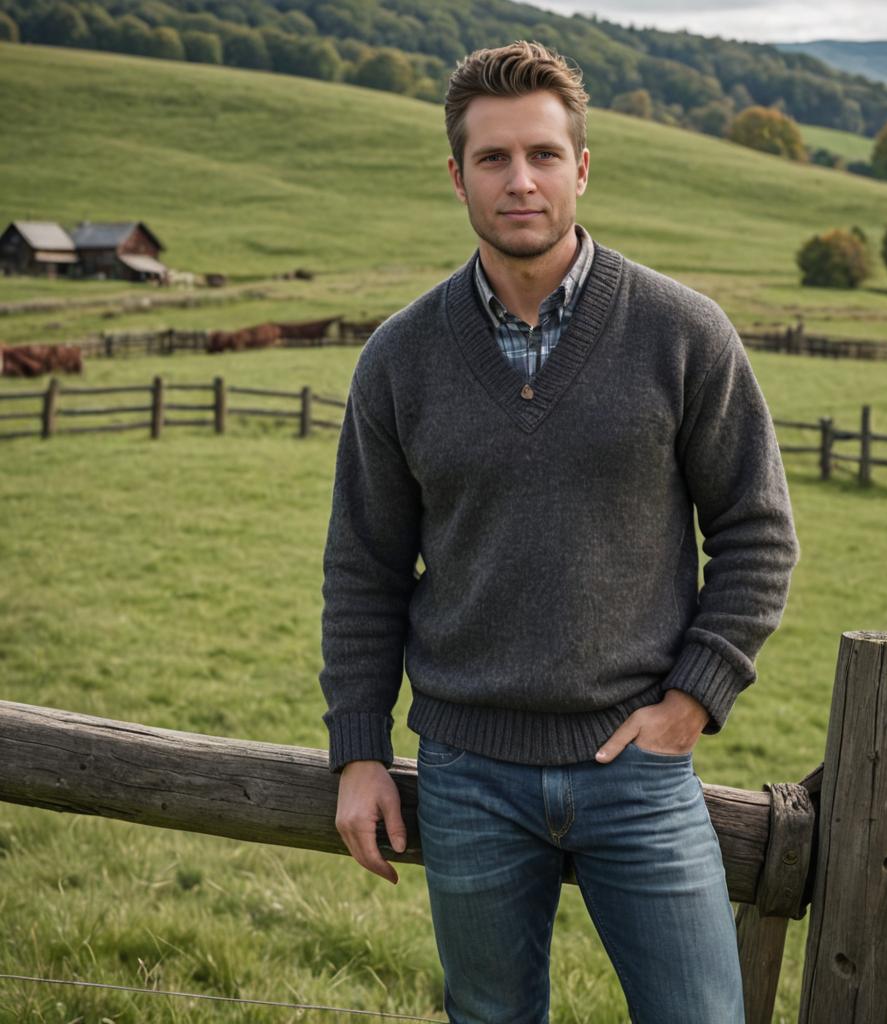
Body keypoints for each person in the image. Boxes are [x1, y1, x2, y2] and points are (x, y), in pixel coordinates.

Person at [319, 40, 799, 1024]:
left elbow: (756, 531)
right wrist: (358, 751)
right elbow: (362, 568)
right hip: (465, 775)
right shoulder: (399, 359)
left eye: (542, 154)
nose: (520, 180)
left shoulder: (681, 333)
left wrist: (692, 703)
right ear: (456, 176)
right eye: (492, 159)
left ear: (582, 166)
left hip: (640, 768)